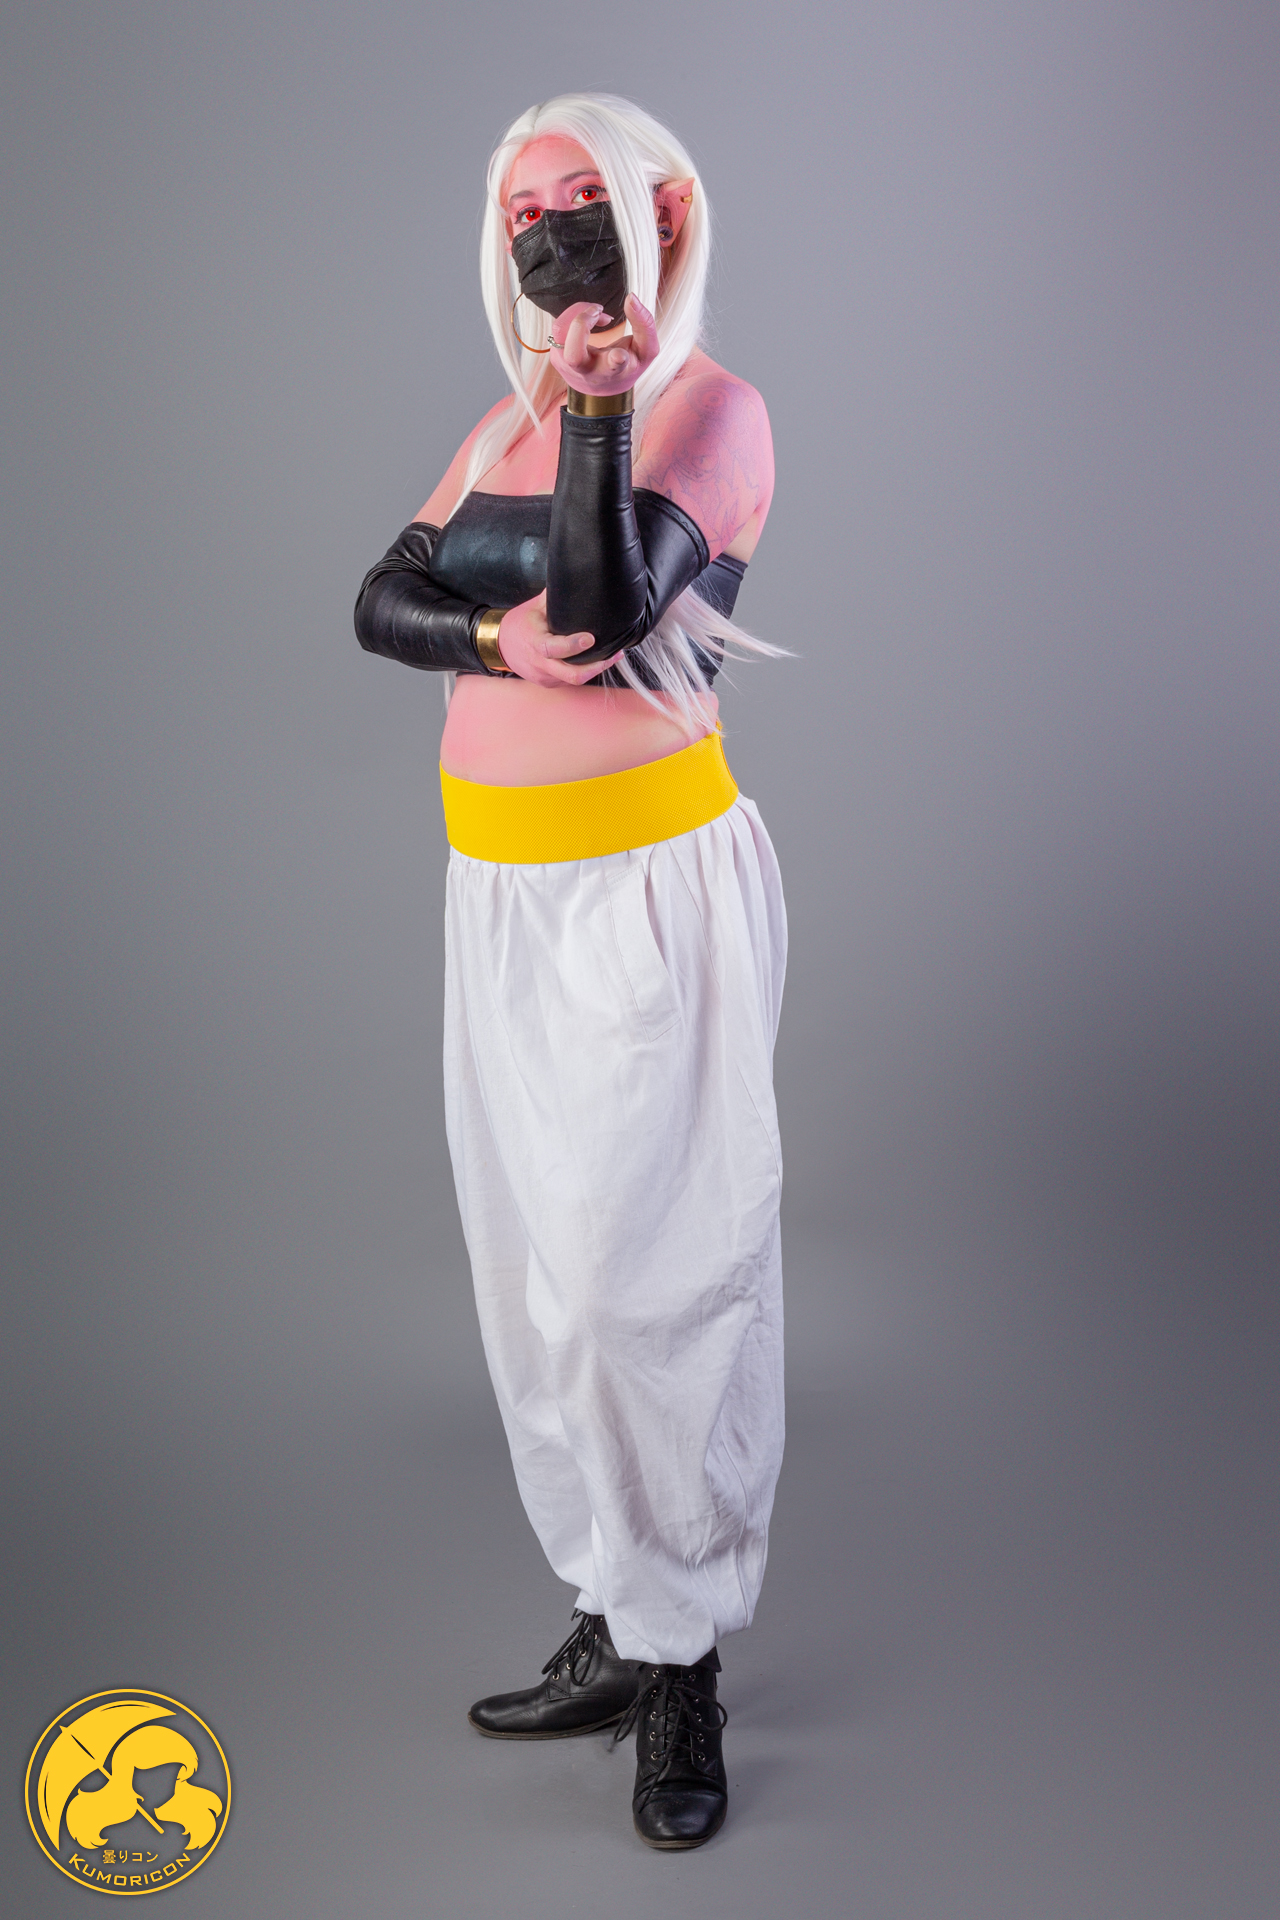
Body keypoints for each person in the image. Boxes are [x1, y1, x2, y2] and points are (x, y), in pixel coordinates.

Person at [355, 92, 786, 1851]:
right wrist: (481, 630)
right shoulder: (499, 423)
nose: (545, 238)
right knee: (539, 1288)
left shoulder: (707, 412)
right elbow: (380, 600)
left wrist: (604, 414)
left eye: (575, 201)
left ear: (659, 209)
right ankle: (618, 1612)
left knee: (645, 1286)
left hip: (639, 895)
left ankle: (685, 1658)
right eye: (520, 212)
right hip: (501, 895)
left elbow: (603, 621)